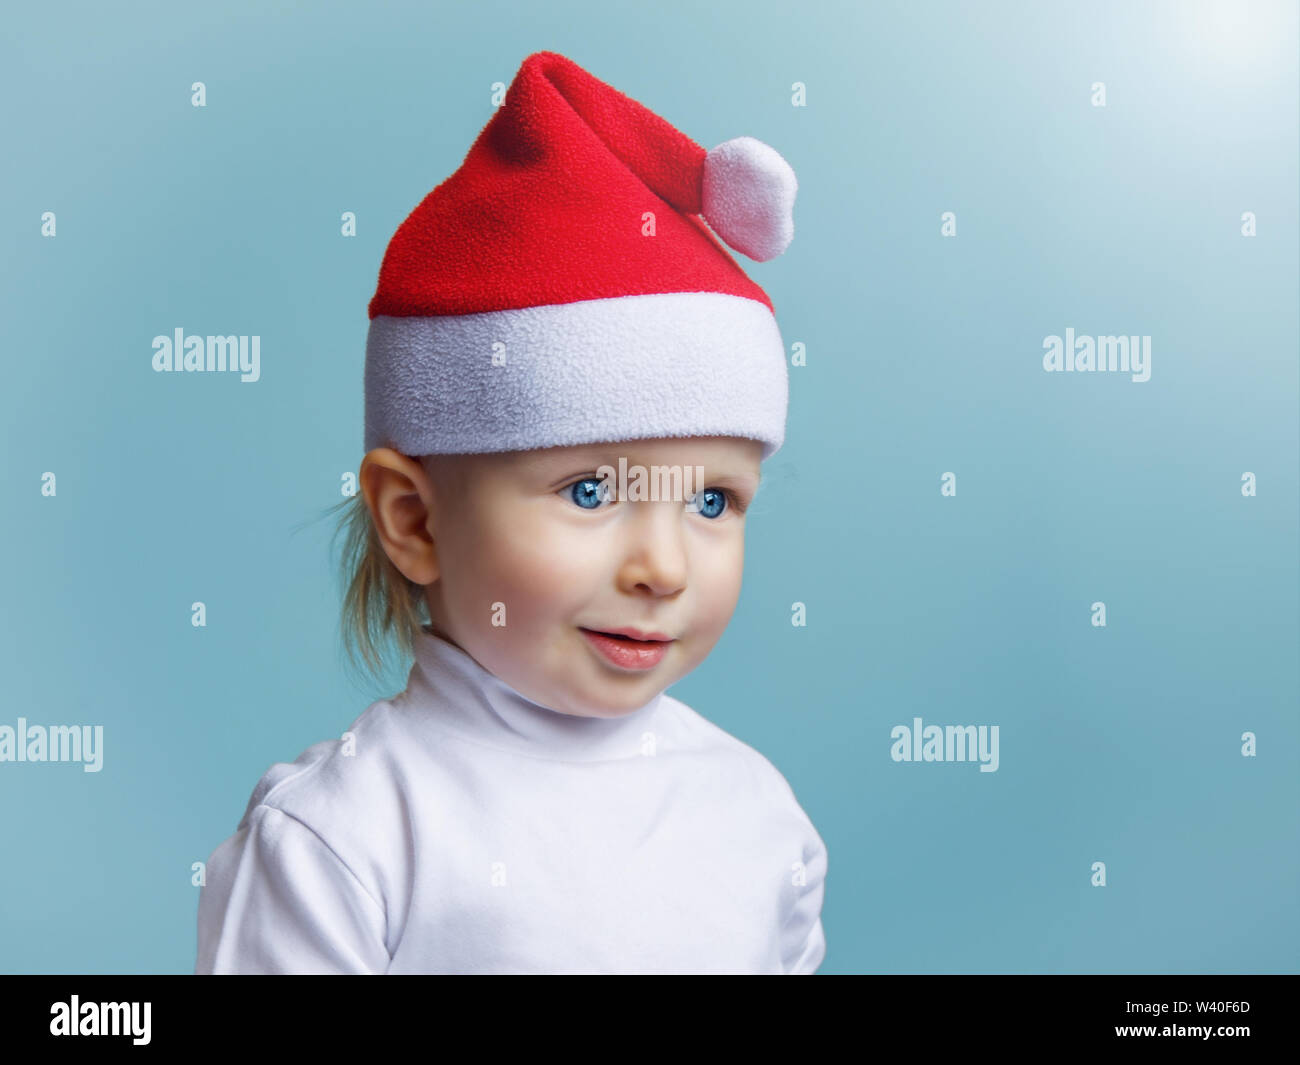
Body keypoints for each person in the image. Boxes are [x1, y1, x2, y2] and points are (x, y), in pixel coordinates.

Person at [194, 50, 826, 974]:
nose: (665, 567)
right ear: (413, 519)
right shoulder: (342, 844)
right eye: (590, 490)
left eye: (710, 499)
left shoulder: (762, 825)